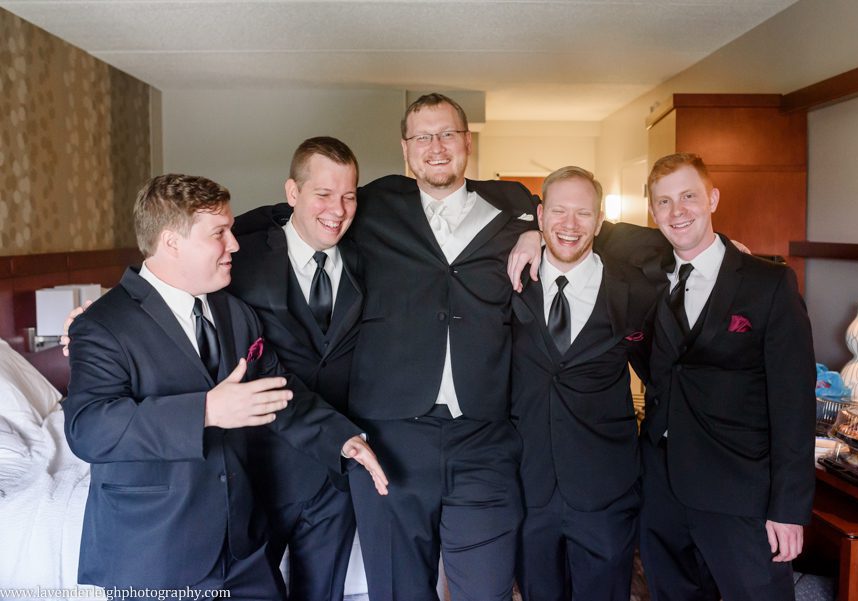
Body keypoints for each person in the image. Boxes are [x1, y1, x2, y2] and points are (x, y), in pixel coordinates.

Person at [64, 174, 387, 597]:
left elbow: (278, 389)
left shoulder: (235, 313)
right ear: (171, 242)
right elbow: (88, 428)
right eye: (219, 233)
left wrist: (342, 439)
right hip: (156, 553)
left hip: (243, 549)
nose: (234, 244)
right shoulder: (102, 324)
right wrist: (207, 411)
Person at [345, 93, 539, 601]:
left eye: (448, 133)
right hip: (389, 439)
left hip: (484, 437)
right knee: (397, 591)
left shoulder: (511, 204)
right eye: (422, 137)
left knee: (487, 588)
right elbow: (298, 212)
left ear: (467, 142)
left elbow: (580, 220)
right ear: (405, 149)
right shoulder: (372, 207)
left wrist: (538, 229)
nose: (436, 147)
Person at [639, 153, 815, 601]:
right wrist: (528, 233)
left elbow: (794, 403)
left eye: (688, 197)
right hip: (661, 487)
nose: (677, 212)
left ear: (712, 198)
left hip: (740, 491)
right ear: (652, 212)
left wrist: (789, 509)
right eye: (663, 202)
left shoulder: (769, 283)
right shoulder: (646, 278)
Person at [510, 166, 659, 601]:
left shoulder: (634, 288)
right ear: (539, 216)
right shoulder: (508, 281)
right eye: (558, 211)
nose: (569, 225)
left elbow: (661, 374)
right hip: (529, 485)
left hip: (606, 490)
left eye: (582, 213)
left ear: (599, 220)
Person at [228, 137, 362, 601]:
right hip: (259, 467)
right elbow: (170, 269)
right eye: (323, 195)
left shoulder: (371, 258)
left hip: (335, 473)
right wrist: (101, 309)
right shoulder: (239, 258)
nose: (338, 209)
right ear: (291, 193)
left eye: (348, 196)